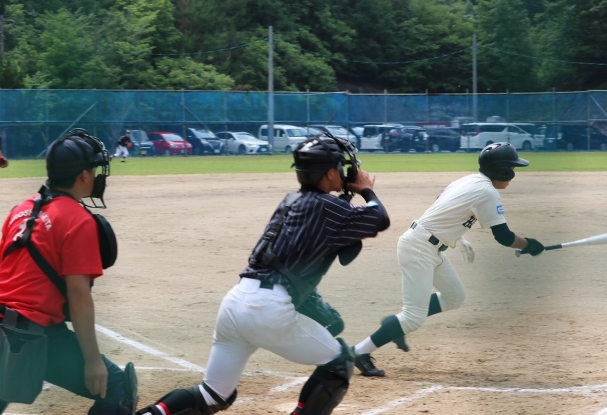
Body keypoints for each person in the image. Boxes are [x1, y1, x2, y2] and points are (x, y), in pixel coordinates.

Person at [136, 133, 390, 415]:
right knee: (340, 362)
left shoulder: (291, 201)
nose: (344, 172)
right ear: (329, 173)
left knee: (213, 394)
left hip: (235, 304)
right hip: (267, 310)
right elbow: (379, 218)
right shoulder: (327, 206)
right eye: (340, 167)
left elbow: (290, 261)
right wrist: (366, 190)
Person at [352, 142, 546, 377]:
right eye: (512, 168)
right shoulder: (487, 192)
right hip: (419, 248)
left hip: (427, 246)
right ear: (501, 170)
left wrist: (458, 237)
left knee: (455, 296)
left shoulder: (469, 180)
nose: (513, 174)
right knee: (413, 317)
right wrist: (530, 245)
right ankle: (360, 352)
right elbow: (503, 237)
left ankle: (394, 324)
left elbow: (442, 206)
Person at [0, 128, 138, 414]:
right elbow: (79, 297)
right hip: (33, 336)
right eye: (94, 169)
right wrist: (92, 361)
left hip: (4, 326)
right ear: (84, 176)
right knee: (116, 388)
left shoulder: (20, 210)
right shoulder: (78, 220)